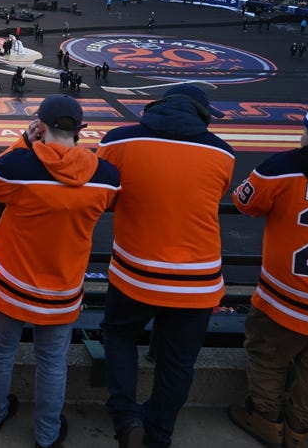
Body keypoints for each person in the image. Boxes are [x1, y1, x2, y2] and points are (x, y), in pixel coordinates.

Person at [0, 94, 120, 448]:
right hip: (62, 289)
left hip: (10, 283)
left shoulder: (19, 167)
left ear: (40, 126)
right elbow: (111, 200)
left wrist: (23, 142)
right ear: (80, 131)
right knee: (53, 364)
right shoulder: (106, 177)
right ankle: (46, 434)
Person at [97, 84, 235, 448]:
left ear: (156, 107)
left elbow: (105, 192)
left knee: (120, 335)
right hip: (200, 280)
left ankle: (126, 418)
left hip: (135, 272)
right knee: (178, 364)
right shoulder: (223, 153)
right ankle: (159, 433)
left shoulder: (117, 141)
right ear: (202, 116)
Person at [227, 85, 308, 448]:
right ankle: (300, 431)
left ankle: (266, 419)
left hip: (286, 295)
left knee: (268, 358)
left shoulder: (282, 167)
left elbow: (244, 203)